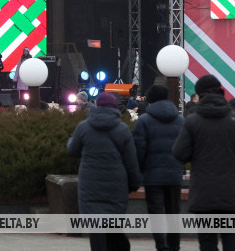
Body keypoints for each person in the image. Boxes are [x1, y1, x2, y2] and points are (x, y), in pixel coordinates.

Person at [173, 74, 235, 251]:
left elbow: (179, 153)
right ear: (220, 92)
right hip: (229, 191)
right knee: (230, 237)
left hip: (203, 191)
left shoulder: (192, 121)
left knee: (207, 241)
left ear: (199, 96)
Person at [68, 92, 141, 251]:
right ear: (115, 108)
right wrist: (135, 183)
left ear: (97, 106)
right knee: (113, 226)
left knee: (97, 230)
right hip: (116, 186)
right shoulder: (122, 129)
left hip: (90, 186)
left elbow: (73, 151)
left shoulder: (83, 127)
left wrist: (70, 140)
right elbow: (131, 161)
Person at [133, 85, 185, 251]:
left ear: (150, 99)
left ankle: (161, 246)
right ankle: (174, 246)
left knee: (156, 213)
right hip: (174, 175)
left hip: (152, 176)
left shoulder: (144, 121)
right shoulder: (180, 121)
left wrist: (140, 171)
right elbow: (185, 147)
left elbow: (139, 149)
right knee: (173, 213)